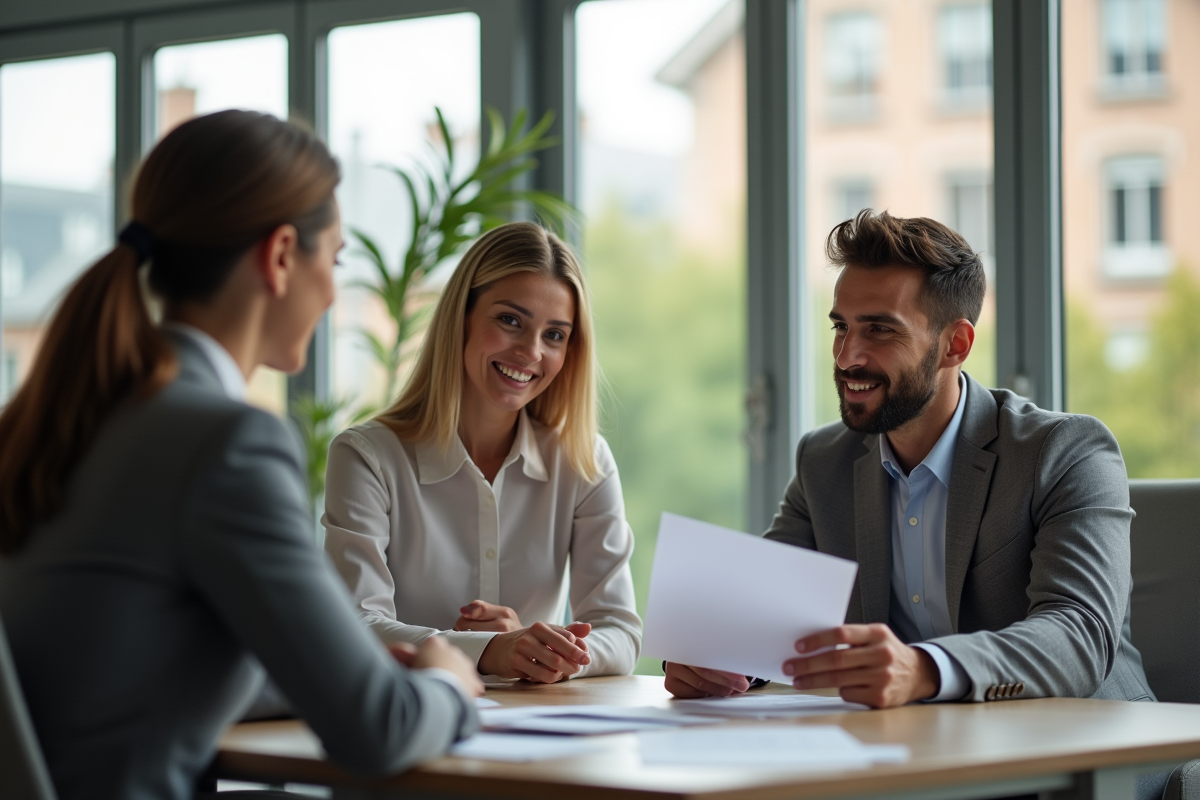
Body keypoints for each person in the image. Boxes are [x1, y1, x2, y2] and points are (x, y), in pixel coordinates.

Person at [0, 110, 483, 800]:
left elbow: (124, 666)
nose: (332, 293)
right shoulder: (227, 442)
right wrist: (447, 682)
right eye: (336, 259)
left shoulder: (54, 421)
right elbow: (378, 730)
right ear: (282, 255)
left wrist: (337, 674)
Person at [665, 209, 1153, 710]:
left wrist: (924, 669)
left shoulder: (1066, 453)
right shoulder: (823, 461)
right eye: (841, 327)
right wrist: (714, 657)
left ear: (954, 345)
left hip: (1089, 746)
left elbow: (1078, 634)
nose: (846, 356)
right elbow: (766, 613)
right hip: (920, 752)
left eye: (879, 330)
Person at [323, 221, 642, 683]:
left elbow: (620, 632)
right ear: (463, 317)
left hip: (541, 731)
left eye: (554, 334)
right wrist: (494, 649)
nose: (530, 351)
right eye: (510, 320)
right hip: (409, 721)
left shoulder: (584, 461)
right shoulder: (367, 457)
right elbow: (354, 626)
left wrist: (542, 650)